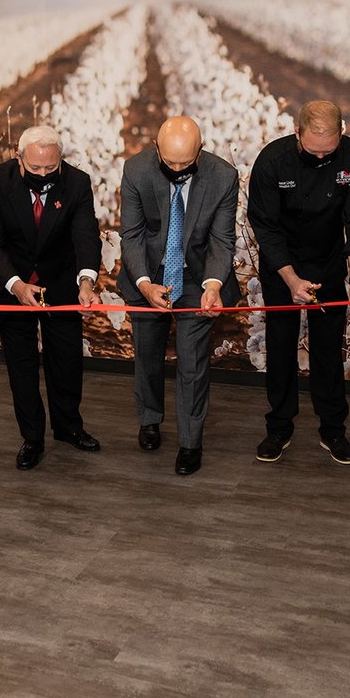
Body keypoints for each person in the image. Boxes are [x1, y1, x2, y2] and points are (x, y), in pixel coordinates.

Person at [247, 100, 350, 465]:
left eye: (329, 152)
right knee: (282, 344)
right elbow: (266, 229)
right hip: (282, 263)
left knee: (328, 348)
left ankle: (333, 429)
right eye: (313, 151)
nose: (321, 159)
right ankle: (279, 427)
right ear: (297, 133)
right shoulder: (272, 161)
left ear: (342, 133)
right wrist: (289, 278)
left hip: (330, 261)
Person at [117, 116, 240, 475]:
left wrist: (214, 285)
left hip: (197, 277)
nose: (175, 169)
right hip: (149, 273)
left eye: (184, 164)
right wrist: (143, 284)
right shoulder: (136, 170)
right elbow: (132, 234)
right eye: (168, 162)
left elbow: (222, 240)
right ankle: (150, 419)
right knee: (148, 354)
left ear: (200, 151)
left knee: (193, 363)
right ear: (156, 148)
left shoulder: (223, 176)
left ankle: (190, 442)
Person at [0, 125, 102, 470]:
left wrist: (86, 282)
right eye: (35, 169)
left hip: (60, 285)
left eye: (51, 168)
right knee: (23, 366)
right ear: (19, 159)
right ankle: (32, 437)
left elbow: (86, 236)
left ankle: (69, 428)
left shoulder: (76, 183)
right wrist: (15, 285)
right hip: (11, 286)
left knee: (67, 361)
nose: (43, 175)